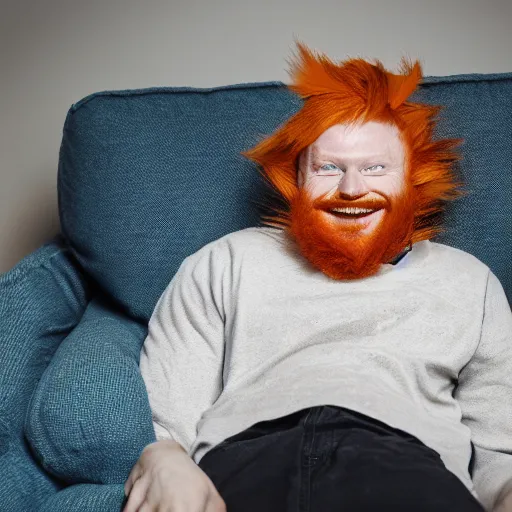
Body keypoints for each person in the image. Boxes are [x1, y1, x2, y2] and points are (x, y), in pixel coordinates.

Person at [123, 43, 512, 512]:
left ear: (412, 179)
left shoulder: (469, 280)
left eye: (375, 168)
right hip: (243, 462)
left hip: (408, 462)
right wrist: (164, 457)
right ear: (297, 178)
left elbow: (499, 450)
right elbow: (165, 422)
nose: (351, 190)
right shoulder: (224, 262)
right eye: (329, 167)